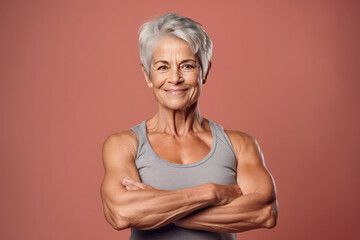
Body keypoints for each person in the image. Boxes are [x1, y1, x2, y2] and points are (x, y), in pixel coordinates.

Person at [100, 13, 278, 240]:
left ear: (205, 70)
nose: (175, 78)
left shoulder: (239, 144)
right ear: (147, 75)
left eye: (187, 66)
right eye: (163, 67)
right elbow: (121, 213)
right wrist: (212, 193)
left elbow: (264, 213)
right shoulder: (124, 145)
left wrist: (156, 206)